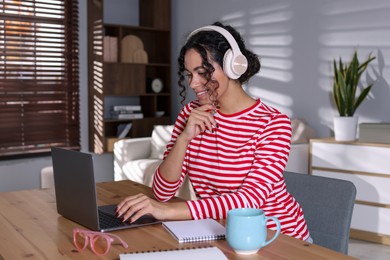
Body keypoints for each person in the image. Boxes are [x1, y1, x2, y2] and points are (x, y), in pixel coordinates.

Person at [116, 21, 311, 242]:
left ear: (232, 67)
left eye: (202, 72)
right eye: (189, 74)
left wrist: (167, 212)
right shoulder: (191, 114)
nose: (193, 84)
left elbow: (248, 200)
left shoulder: (273, 124)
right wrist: (184, 139)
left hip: (277, 236)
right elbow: (162, 193)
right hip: (220, 231)